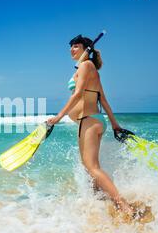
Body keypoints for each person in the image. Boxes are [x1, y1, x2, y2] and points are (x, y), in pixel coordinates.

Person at [47, 35, 135, 216]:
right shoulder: (89, 68)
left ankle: (124, 206)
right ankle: (99, 202)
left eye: (76, 46)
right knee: (89, 167)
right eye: (70, 47)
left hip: (89, 120)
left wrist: (59, 116)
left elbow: (78, 94)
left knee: (92, 167)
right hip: (92, 121)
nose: (72, 49)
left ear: (86, 49)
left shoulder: (86, 65)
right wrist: (114, 125)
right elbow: (103, 99)